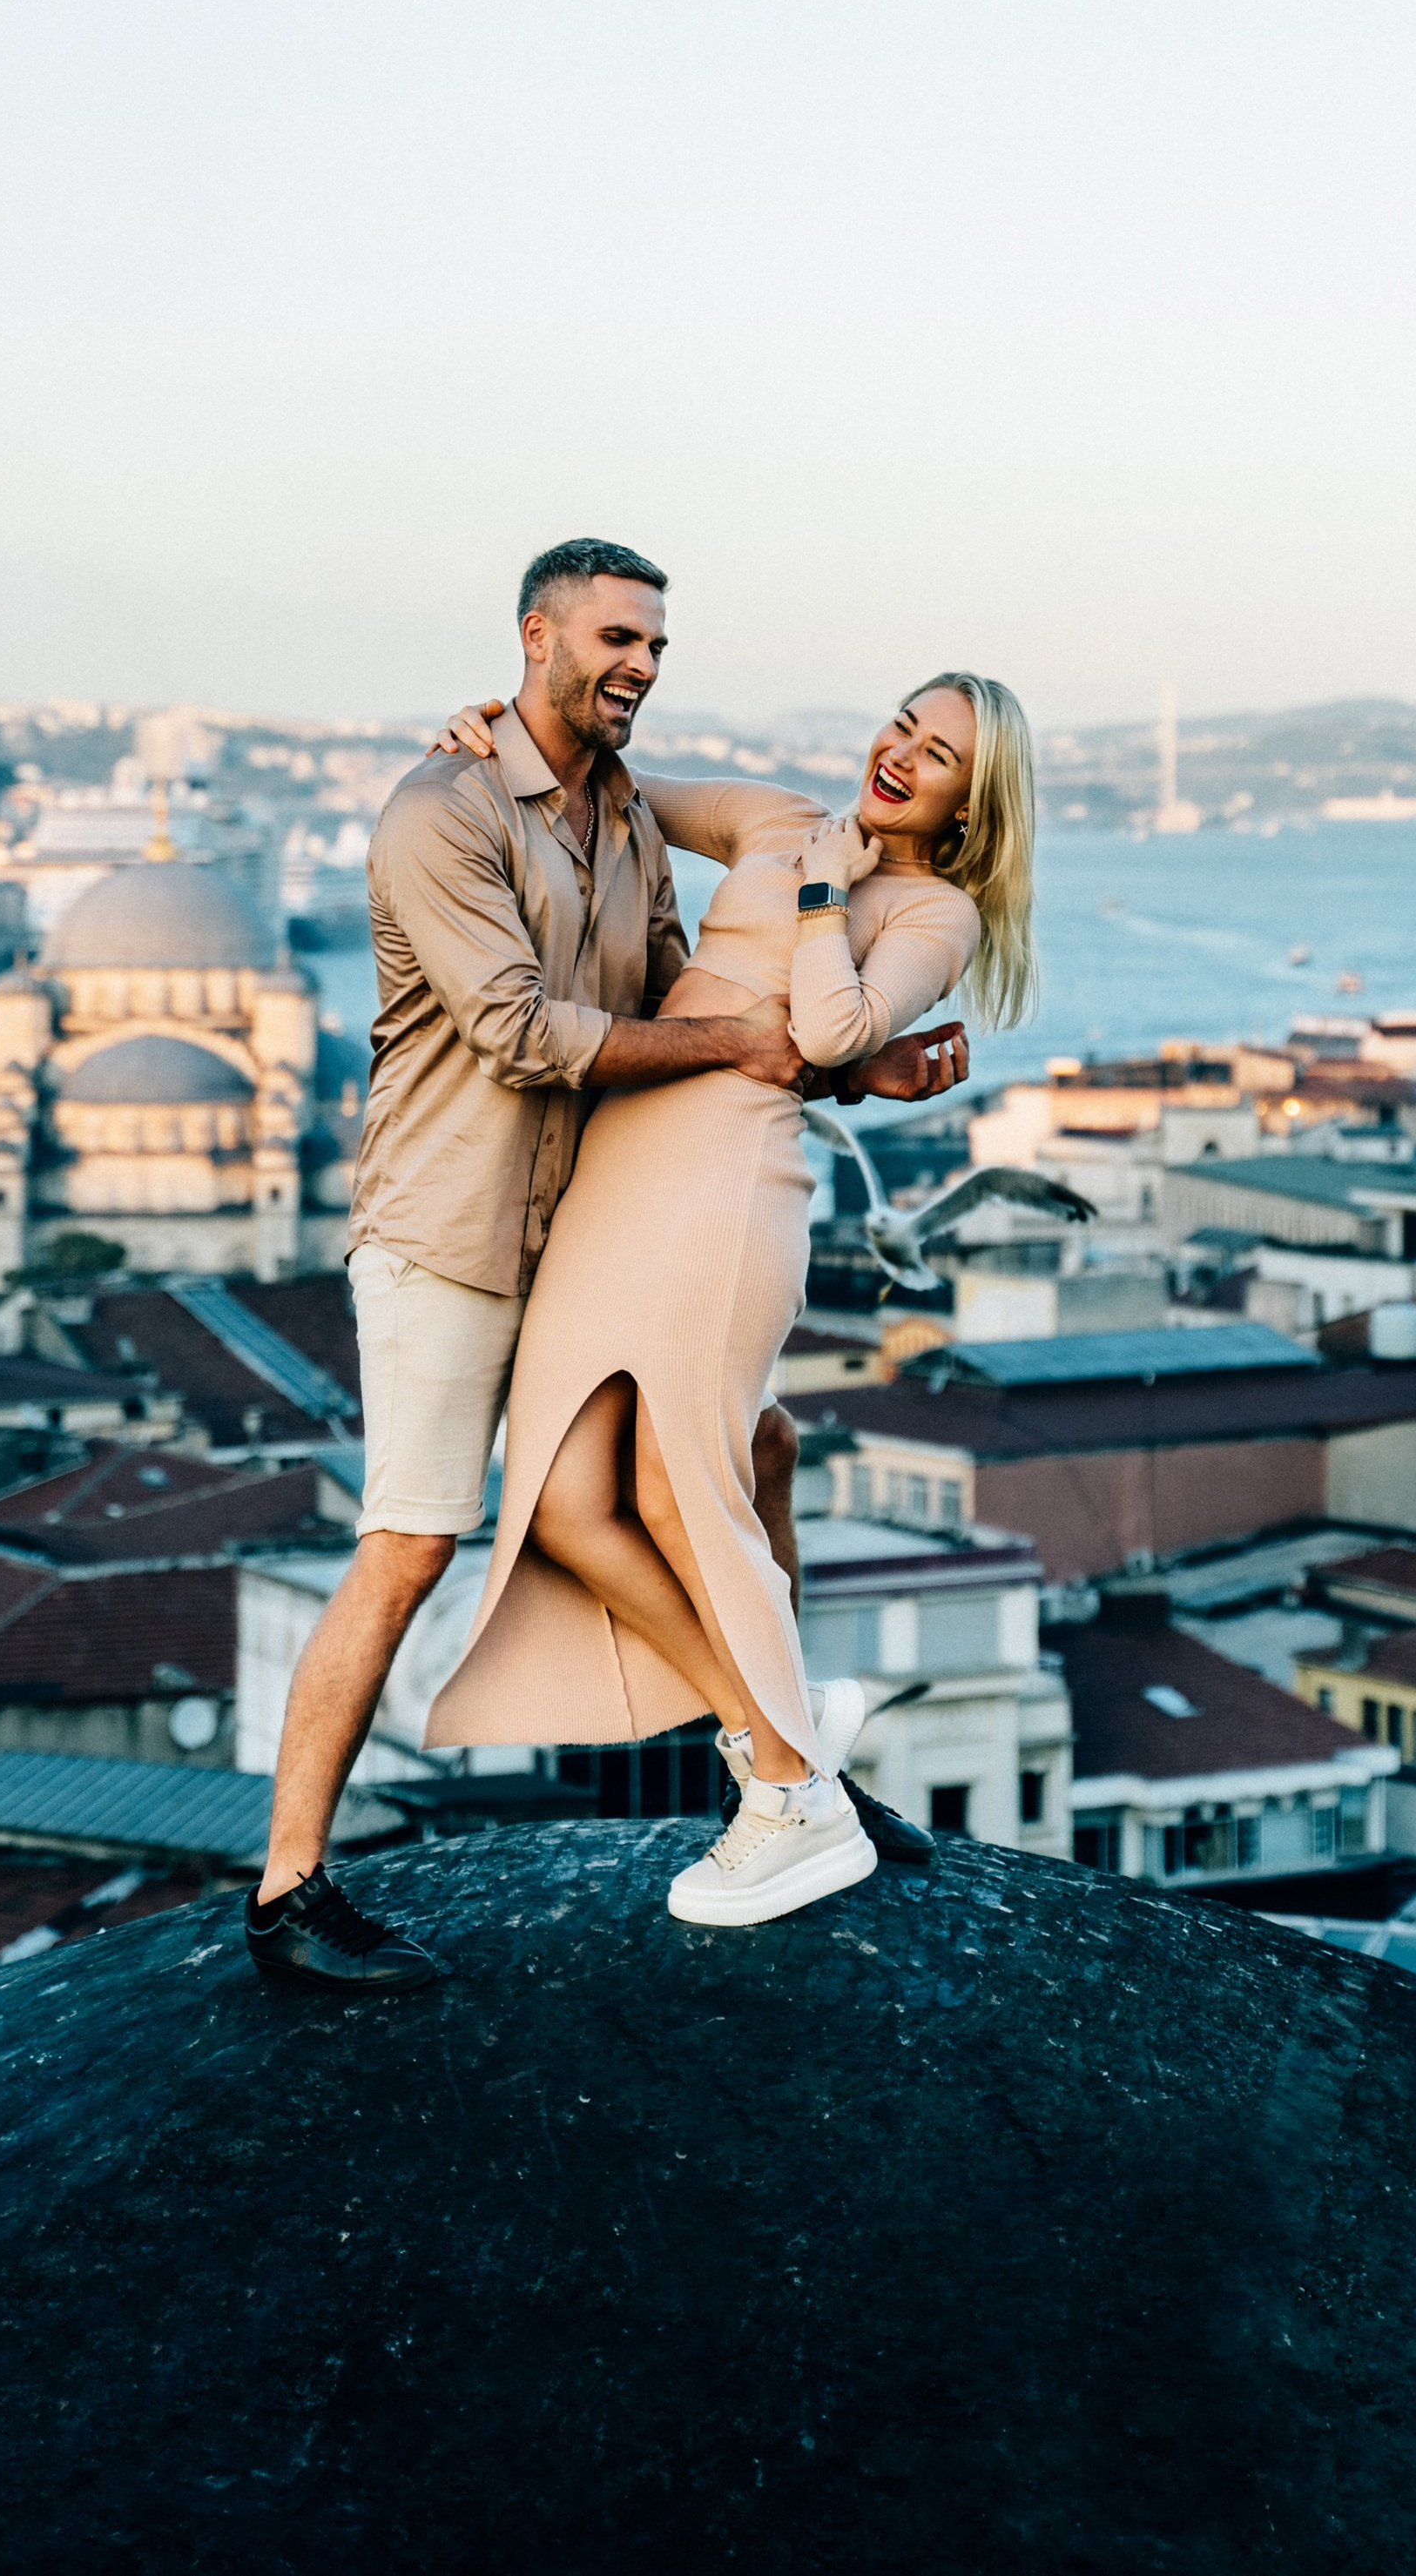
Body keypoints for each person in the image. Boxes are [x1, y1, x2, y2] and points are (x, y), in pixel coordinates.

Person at [244, 539, 963, 1994]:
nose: (638, 662)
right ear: (537, 635)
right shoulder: (441, 807)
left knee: (753, 1443)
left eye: (656, 647)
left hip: (591, 1220)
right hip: (453, 1233)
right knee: (411, 1542)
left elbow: (674, 1008)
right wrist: (771, 1043)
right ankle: (288, 1886)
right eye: (617, 637)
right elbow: (523, 1031)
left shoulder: (629, 820)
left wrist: (846, 1074)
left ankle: (790, 1763)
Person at [423, 666, 1037, 1928]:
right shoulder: (778, 812)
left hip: (728, 1183)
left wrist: (822, 887)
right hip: (623, 1161)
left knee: (672, 1486)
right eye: (902, 723)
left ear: (970, 807)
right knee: (565, 1499)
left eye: (937, 755)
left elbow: (822, 1029)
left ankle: (792, 1791)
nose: (900, 752)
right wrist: (491, 736)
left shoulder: (935, 913)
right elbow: (614, 782)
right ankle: (787, 1744)